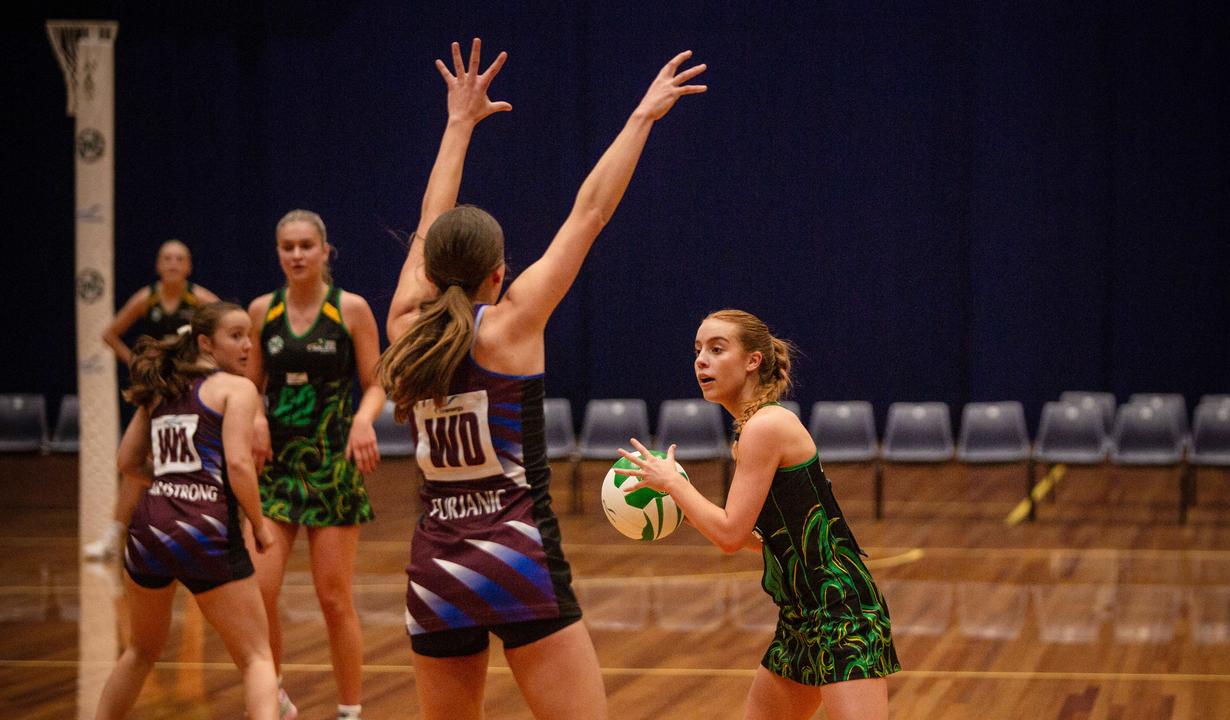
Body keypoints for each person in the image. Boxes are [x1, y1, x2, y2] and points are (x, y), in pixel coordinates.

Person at [379, 38, 704, 720]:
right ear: (499, 274)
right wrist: (641, 117)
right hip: (516, 562)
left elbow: (425, 229)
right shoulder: (511, 326)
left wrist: (457, 125)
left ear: (430, 272)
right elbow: (590, 211)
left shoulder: (405, 326)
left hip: (436, 571)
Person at [616, 310, 900, 720]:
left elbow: (731, 535)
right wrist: (677, 505)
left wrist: (675, 483)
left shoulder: (766, 427)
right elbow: (760, 539)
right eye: (698, 351)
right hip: (803, 614)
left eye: (717, 349)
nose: (701, 360)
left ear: (753, 361)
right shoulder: (752, 429)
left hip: (842, 612)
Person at [95, 302, 277, 720]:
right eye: (235, 336)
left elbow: (126, 461)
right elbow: (237, 464)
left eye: (249, 335)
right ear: (204, 343)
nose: (248, 345)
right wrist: (260, 524)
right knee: (256, 658)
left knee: (140, 651)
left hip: (148, 528)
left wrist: (170, 480)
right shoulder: (237, 389)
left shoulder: (162, 388)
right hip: (205, 529)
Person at [246, 208, 384, 720]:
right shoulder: (263, 311)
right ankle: (274, 698)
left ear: (325, 251)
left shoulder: (351, 309)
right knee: (259, 591)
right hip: (275, 466)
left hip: (331, 465)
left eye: (307, 245)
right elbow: (249, 384)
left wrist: (364, 421)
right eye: (288, 246)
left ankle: (350, 710)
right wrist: (254, 413)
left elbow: (376, 382)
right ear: (279, 252)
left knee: (333, 598)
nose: (297, 254)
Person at [85, 239, 220, 559]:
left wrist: (205, 364)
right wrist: (138, 362)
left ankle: (203, 528)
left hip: (191, 392)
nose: (173, 264)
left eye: (179, 259)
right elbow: (109, 334)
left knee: (196, 460)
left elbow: (227, 326)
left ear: (188, 266)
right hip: (157, 393)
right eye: (167, 258)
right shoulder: (148, 298)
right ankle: (113, 535)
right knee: (135, 462)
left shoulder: (199, 298)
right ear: (158, 265)